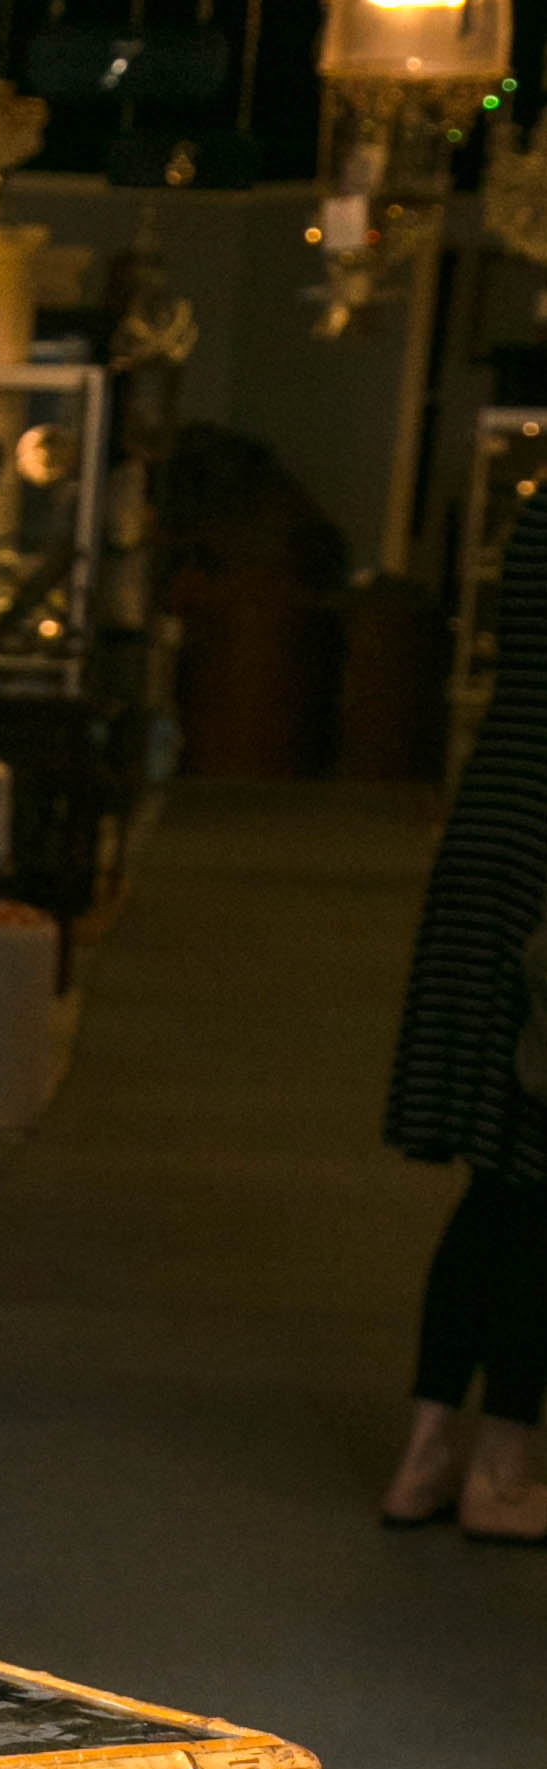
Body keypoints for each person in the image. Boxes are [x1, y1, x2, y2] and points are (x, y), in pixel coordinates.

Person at [383, 485, 547, 1540]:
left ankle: (427, 1455)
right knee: (538, 1184)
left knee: (502, 1175)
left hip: (498, 821)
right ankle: (501, 1470)